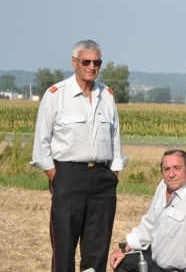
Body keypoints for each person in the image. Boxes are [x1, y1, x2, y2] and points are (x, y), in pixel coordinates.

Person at [31, 39, 127, 272]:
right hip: (68, 177)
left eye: (97, 62)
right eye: (86, 61)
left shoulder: (107, 95)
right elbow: (41, 143)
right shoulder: (56, 95)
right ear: (74, 62)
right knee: (64, 250)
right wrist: (57, 176)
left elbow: (115, 140)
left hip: (103, 180)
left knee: (97, 252)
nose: (92, 66)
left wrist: (113, 174)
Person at [109, 149, 186, 272]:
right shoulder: (163, 187)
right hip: (158, 262)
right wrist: (124, 248)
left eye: (177, 168)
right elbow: (149, 223)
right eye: (166, 169)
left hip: (182, 269)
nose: (171, 174)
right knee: (122, 264)